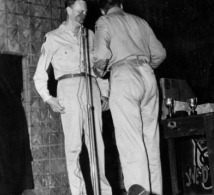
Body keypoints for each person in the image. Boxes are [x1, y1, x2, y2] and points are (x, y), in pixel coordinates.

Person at [33, 0, 112, 195]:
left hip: (91, 87)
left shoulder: (91, 36)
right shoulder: (52, 37)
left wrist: (104, 92)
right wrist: (48, 98)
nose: (83, 14)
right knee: (73, 148)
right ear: (68, 10)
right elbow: (39, 73)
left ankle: (103, 192)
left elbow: (99, 67)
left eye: (85, 10)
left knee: (97, 146)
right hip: (67, 88)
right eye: (79, 10)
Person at [92, 0, 167, 194]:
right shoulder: (140, 21)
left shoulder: (104, 21)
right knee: (151, 142)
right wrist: (144, 66)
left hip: (124, 76)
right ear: (121, 4)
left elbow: (100, 55)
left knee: (131, 144)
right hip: (148, 76)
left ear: (102, 9)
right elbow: (160, 53)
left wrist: (99, 72)